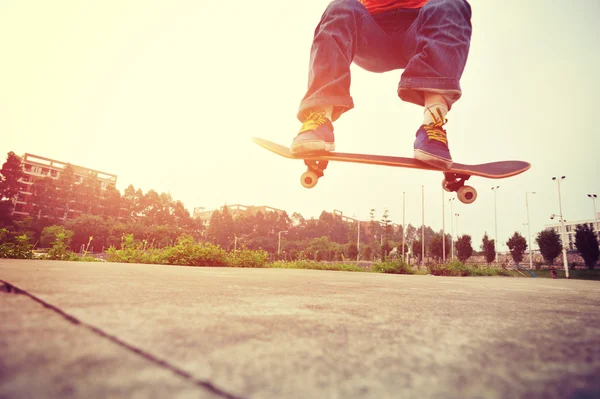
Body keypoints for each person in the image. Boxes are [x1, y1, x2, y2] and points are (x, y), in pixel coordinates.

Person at [291, 0, 472, 170]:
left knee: (451, 4)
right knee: (340, 6)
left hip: (421, 30)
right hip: (370, 32)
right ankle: (319, 118)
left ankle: (433, 125)